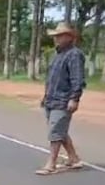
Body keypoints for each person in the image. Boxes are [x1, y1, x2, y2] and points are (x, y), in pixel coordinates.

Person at [36, 22, 86, 176]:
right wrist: (45, 97)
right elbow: (52, 79)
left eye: (59, 36)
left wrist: (74, 98)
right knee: (60, 131)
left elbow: (77, 79)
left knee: (55, 132)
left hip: (63, 100)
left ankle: (51, 164)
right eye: (55, 36)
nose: (56, 39)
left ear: (69, 37)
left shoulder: (74, 54)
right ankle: (74, 159)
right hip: (52, 99)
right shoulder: (57, 55)